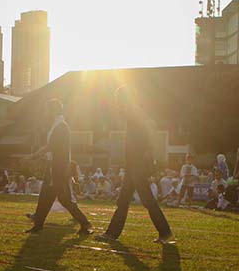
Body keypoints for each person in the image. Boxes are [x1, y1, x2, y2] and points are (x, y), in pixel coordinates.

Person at [98, 87, 173, 243]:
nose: (117, 102)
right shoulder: (133, 112)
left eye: (118, 98)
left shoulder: (134, 113)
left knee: (145, 199)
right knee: (124, 200)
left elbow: (148, 130)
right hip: (133, 163)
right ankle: (112, 234)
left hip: (136, 163)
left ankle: (165, 232)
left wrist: (147, 151)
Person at [24, 99, 92, 235]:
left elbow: (50, 147)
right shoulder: (58, 125)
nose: (46, 113)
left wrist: (32, 157)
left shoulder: (60, 127)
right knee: (45, 196)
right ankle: (38, 225)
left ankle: (85, 223)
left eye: (48, 110)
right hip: (54, 166)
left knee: (64, 198)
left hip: (58, 167)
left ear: (53, 110)